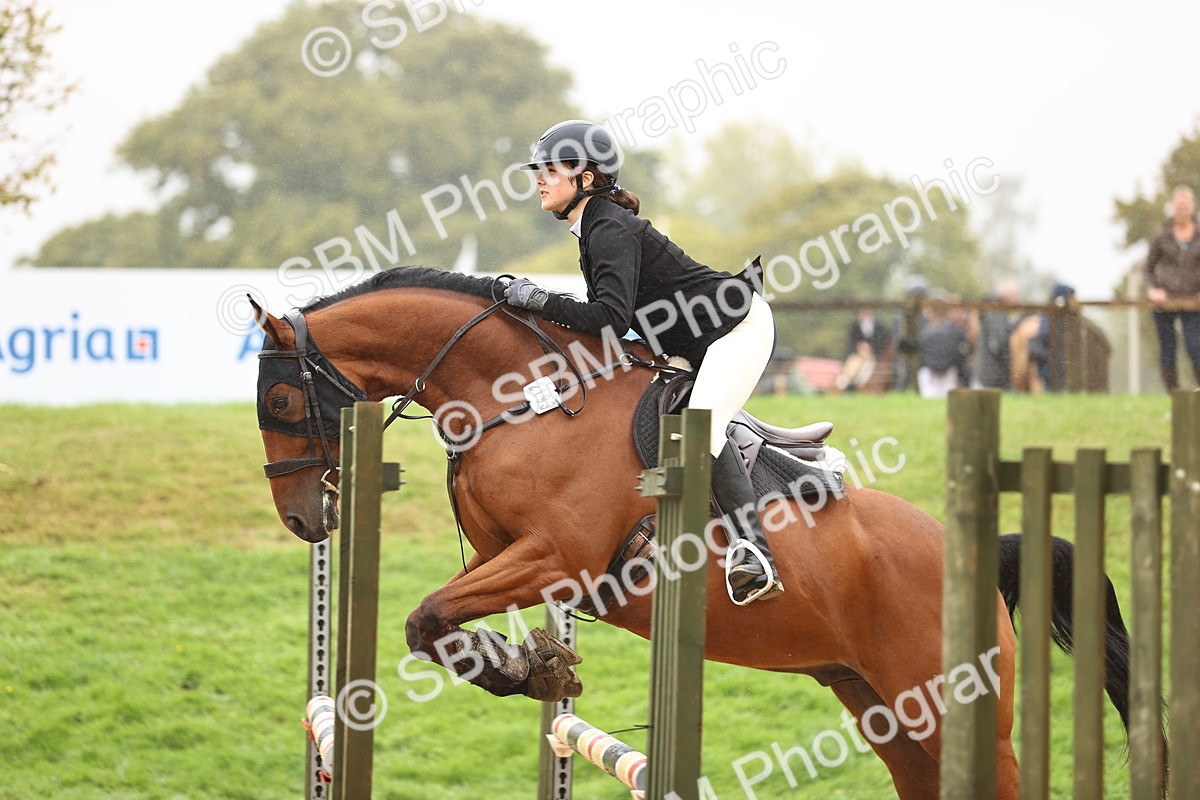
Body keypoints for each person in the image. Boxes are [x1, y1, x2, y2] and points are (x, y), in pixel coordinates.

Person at [504, 120, 782, 605]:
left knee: (699, 427)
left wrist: (539, 300)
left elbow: (608, 319)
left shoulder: (608, 229)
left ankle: (754, 554)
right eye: (540, 169)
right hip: (688, 338)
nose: (540, 179)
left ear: (585, 178)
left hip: (735, 329)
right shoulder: (593, 227)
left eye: (551, 169)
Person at [1144, 185, 1200, 390]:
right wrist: (1153, 290)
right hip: (1164, 301)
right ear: (1172, 207)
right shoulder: (1161, 235)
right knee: (1168, 349)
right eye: (1178, 206)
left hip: (1194, 301)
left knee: (1195, 347)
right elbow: (1148, 268)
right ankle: (1173, 394)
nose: (1182, 210)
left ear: (1192, 207)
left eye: (1185, 206)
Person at [971, 280, 1019, 390]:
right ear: (1007, 295)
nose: (1017, 299)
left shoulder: (993, 311)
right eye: (1015, 295)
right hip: (992, 375)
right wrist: (1009, 368)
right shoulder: (997, 313)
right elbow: (997, 345)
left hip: (987, 373)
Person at [916, 295, 967, 398]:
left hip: (946, 372)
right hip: (931, 372)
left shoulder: (950, 330)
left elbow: (957, 354)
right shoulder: (925, 328)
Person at [835, 307, 892, 392]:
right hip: (857, 355)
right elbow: (850, 342)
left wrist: (870, 349)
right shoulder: (854, 327)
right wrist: (860, 348)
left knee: (866, 368)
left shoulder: (880, 328)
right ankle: (847, 384)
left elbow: (883, 343)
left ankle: (852, 385)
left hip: (874, 357)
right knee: (853, 364)